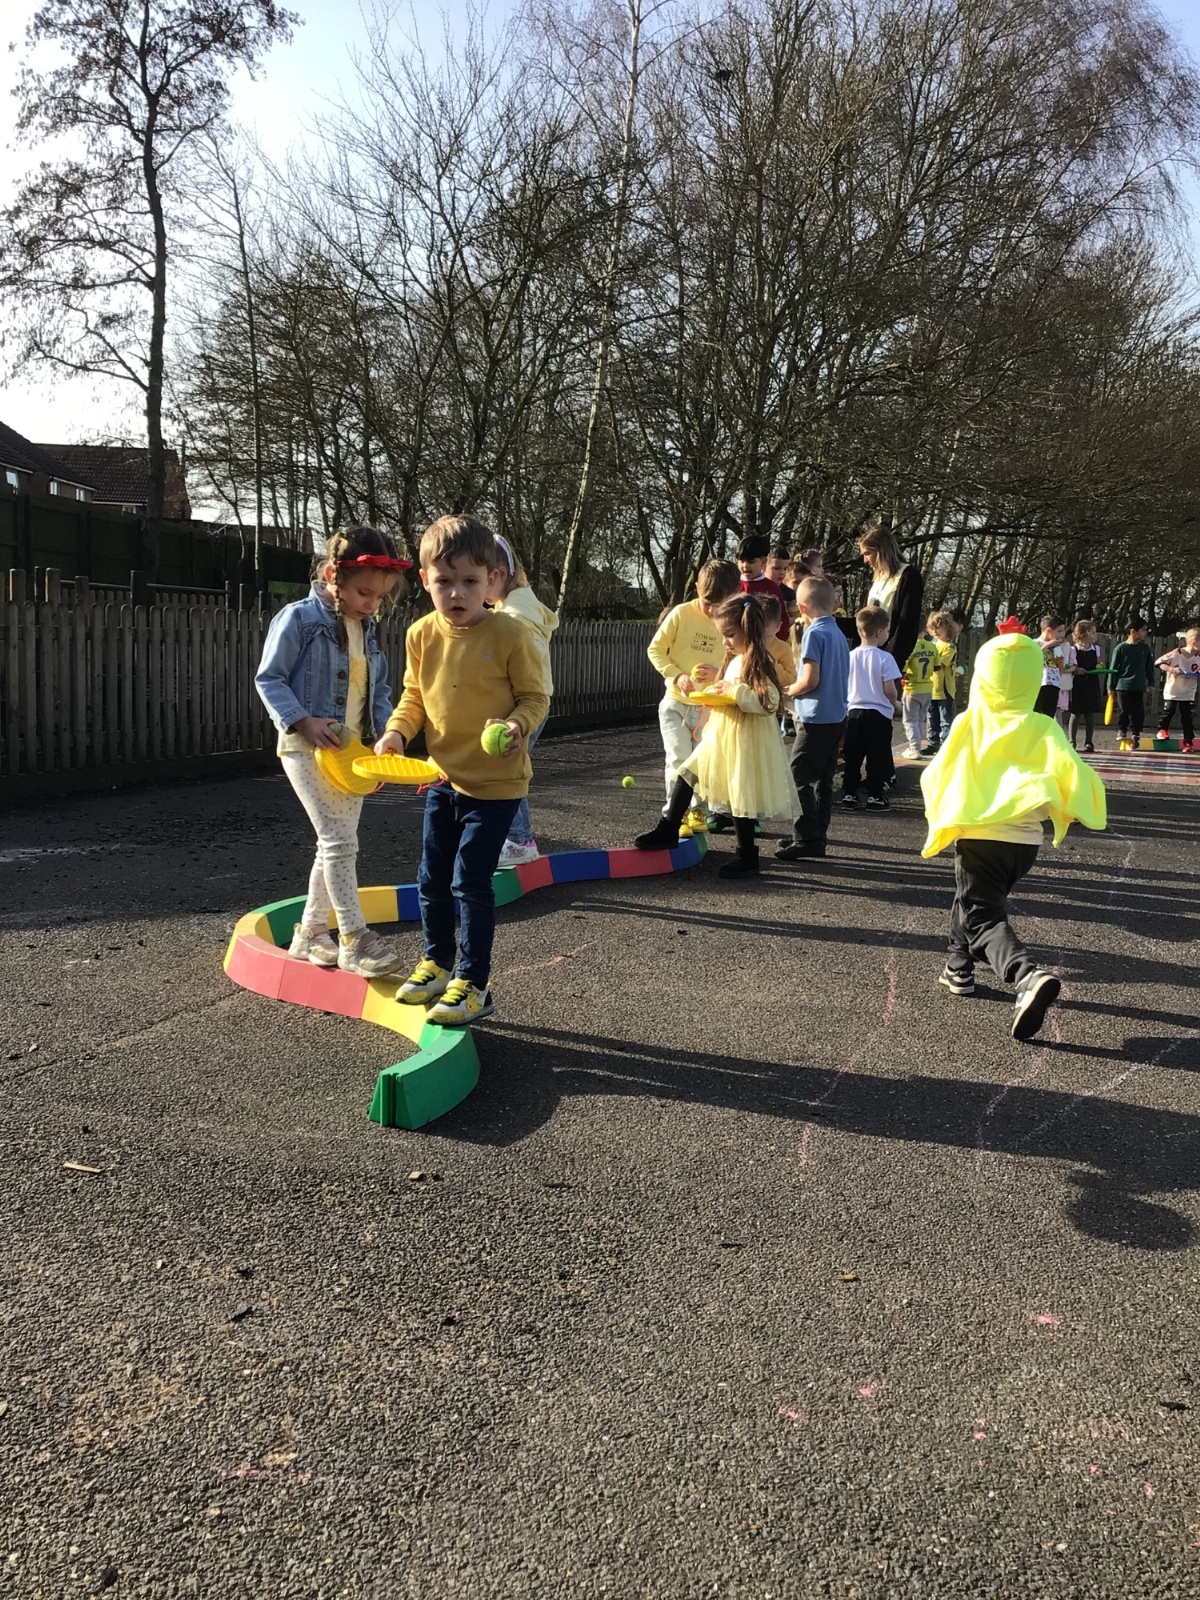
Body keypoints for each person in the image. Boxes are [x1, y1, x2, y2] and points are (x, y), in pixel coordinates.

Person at [374, 515, 550, 1026]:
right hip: (442, 778)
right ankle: (437, 962)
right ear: (424, 580)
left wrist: (516, 724)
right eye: (444, 581)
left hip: (497, 785)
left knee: (469, 882)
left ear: (492, 579)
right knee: (431, 878)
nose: (457, 593)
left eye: (470, 581)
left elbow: (536, 698)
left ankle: (474, 984)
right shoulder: (420, 634)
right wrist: (396, 733)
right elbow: (414, 696)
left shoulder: (512, 633)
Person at [920, 631, 1106, 1041]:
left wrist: (942, 815)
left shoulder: (970, 722)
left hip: (980, 836)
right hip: (1024, 843)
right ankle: (958, 966)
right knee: (973, 900)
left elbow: (938, 772)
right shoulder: (1042, 726)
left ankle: (1026, 975)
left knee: (983, 916)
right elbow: (1075, 773)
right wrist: (1073, 809)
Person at [255, 526, 412, 977]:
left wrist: (386, 737)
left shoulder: (367, 628)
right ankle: (354, 938)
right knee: (340, 842)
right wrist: (303, 720)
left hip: (351, 754)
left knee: (334, 845)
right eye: (364, 593)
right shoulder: (299, 619)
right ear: (331, 576)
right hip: (306, 747)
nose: (372, 604)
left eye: (380, 597)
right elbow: (269, 679)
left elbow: (378, 690)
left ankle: (309, 932)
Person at [633, 594, 800, 878]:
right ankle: (669, 828)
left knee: (739, 794)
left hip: (744, 738)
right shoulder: (735, 659)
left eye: (730, 635)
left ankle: (747, 855)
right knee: (688, 772)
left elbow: (769, 701)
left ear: (748, 630)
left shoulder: (758, 661)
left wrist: (733, 692)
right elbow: (729, 690)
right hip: (722, 732)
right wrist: (714, 691)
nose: (725, 642)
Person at [647, 559, 741, 823]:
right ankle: (673, 816)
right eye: (708, 602)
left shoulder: (732, 622)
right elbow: (655, 650)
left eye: (719, 604)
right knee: (678, 759)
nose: (712, 610)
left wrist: (719, 675)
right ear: (698, 587)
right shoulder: (681, 614)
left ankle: (696, 811)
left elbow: (739, 660)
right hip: (675, 703)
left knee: (702, 762)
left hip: (710, 707)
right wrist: (677, 675)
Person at [490, 537, 559, 866]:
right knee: (508, 767)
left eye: (478, 579)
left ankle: (519, 839)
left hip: (526, 704)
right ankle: (515, 837)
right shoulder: (519, 605)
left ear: (500, 575)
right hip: (533, 700)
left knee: (507, 769)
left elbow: (521, 666)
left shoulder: (515, 617)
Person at [777, 575, 850, 861]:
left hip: (815, 717)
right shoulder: (838, 634)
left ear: (802, 608)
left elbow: (810, 680)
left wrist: (787, 692)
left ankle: (806, 837)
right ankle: (816, 833)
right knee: (824, 779)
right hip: (837, 716)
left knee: (798, 777)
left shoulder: (813, 634)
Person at [859, 520, 924, 786]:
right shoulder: (878, 578)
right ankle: (879, 771)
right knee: (869, 717)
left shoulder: (908, 576)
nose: (865, 560)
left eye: (868, 554)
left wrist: (891, 660)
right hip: (869, 654)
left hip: (889, 656)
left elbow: (907, 624)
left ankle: (883, 774)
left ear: (881, 550)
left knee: (881, 716)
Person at [842, 605, 901, 809]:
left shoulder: (849, 656)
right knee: (877, 756)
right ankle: (875, 795)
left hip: (853, 712)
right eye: (887, 631)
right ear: (879, 632)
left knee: (853, 756)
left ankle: (849, 793)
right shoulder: (885, 658)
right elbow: (890, 690)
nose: (888, 635)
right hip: (878, 714)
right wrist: (896, 705)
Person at [1109, 618, 1155, 751]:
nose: (1145, 633)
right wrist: (1110, 686)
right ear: (1133, 631)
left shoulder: (1144, 648)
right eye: (1143, 630)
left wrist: (1150, 682)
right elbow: (1113, 669)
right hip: (1123, 685)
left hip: (1138, 685)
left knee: (1138, 711)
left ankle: (1136, 734)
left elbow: (1149, 667)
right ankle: (1122, 729)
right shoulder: (1121, 648)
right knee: (1124, 709)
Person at [736, 534, 790, 640]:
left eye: (751, 561)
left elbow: (781, 617)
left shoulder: (771, 588)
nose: (745, 565)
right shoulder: (733, 585)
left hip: (766, 642)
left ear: (763, 561)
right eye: (742, 561)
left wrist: (778, 641)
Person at [900, 620, 941, 758]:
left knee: (910, 720)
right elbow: (937, 667)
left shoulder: (910, 647)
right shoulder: (932, 646)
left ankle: (914, 749)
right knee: (920, 719)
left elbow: (903, 670)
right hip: (928, 688)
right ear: (924, 629)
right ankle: (916, 747)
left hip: (913, 687)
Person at [1156, 627, 1200, 750]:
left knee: (1187, 716)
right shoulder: (1177, 653)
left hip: (1188, 692)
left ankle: (1188, 741)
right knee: (1168, 711)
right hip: (1173, 690)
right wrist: (1171, 669)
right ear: (1194, 642)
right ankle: (1162, 729)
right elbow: (1159, 663)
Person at [926, 612, 961, 753]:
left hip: (944, 689)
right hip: (931, 687)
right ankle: (933, 743)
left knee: (945, 719)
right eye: (932, 628)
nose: (935, 631)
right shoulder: (931, 645)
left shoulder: (949, 647)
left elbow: (938, 664)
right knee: (931, 717)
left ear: (947, 628)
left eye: (938, 627)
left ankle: (946, 745)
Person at [1068, 618, 1104, 752]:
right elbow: (1070, 666)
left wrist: (1099, 666)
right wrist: (1077, 670)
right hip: (1078, 683)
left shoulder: (1096, 649)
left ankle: (1089, 742)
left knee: (1089, 714)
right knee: (1075, 713)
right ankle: (1072, 741)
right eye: (1093, 633)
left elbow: (1097, 662)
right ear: (1084, 634)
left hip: (1091, 683)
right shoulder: (1074, 650)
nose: (1095, 636)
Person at [1034, 614, 1074, 718]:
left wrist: (1060, 662)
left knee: (1049, 715)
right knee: (1036, 712)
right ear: (1048, 631)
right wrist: (1046, 646)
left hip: (1054, 684)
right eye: (1059, 631)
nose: (1062, 634)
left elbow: (1061, 669)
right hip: (1040, 684)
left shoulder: (1057, 646)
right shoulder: (1035, 644)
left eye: (1063, 631)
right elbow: (1033, 659)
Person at [765, 545, 798, 624]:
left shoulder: (789, 593)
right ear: (764, 567)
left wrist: (780, 623)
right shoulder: (758, 589)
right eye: (777, 568)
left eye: (785, 569)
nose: (782, 572)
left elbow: (795, 617)